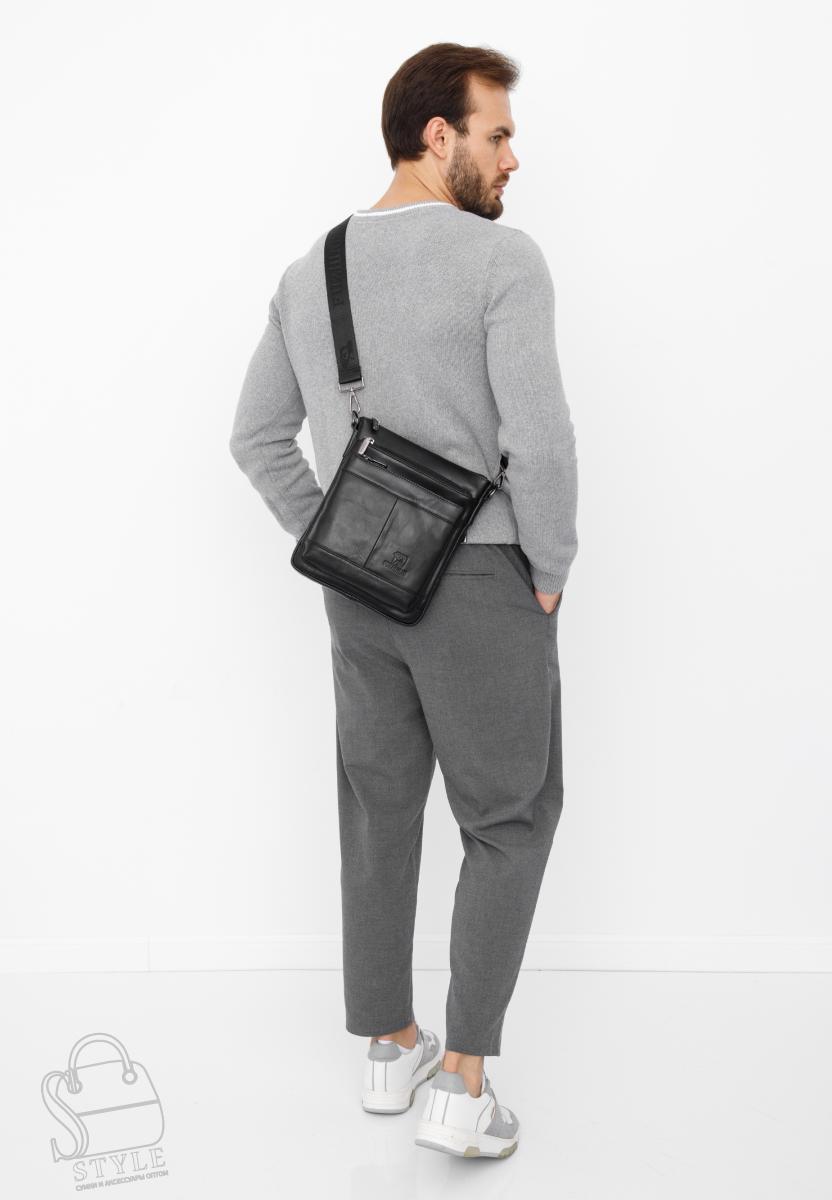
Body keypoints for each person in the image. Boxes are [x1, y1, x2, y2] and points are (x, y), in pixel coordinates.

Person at [229, 41, 578, 1159]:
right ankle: (464, 1088)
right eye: (498, 133)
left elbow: (255, 437)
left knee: (378, 809)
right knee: (509, 818)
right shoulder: (502, 260)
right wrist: (551, 568)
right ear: (439, 136)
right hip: (481, 579)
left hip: (360, 589)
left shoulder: (310, 271)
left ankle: (390, 1049)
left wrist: (336, 538)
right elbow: (541, 441)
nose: (514, 158)